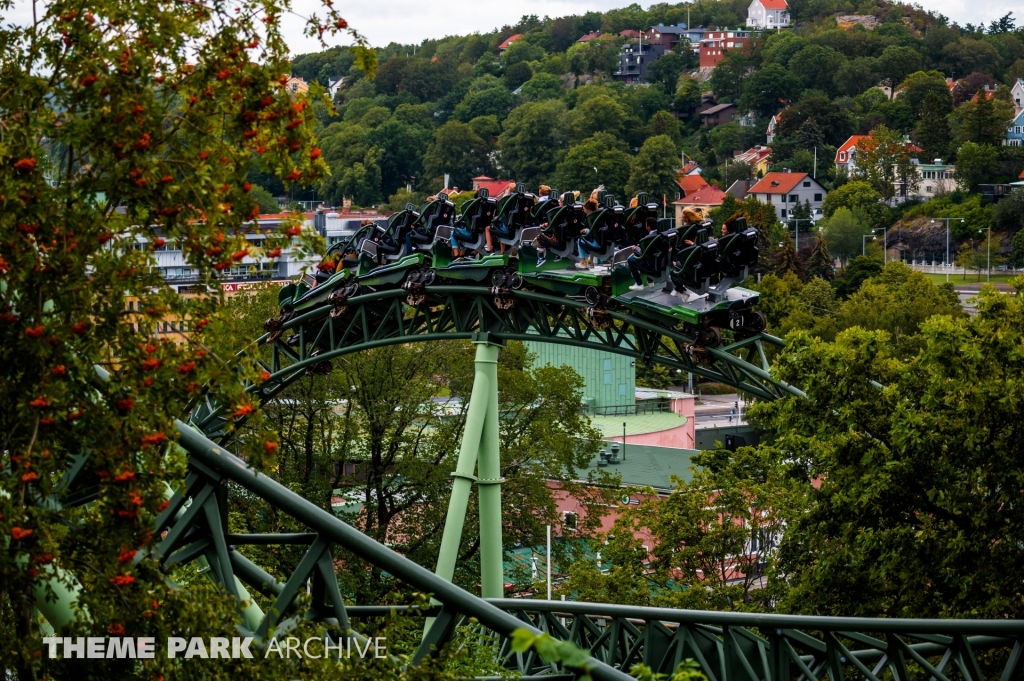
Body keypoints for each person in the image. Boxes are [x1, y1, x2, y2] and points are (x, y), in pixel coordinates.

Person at [627, 217, 664, 291]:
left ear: (649, 227)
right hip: (661, 263)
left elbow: (642, 252)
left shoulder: (648, 239)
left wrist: (635, 248)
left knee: (630, 260)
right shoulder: (661, 235)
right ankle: (650, 281)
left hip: (651, 265)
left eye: (646, 225)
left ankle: (639, 284)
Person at [575, 197, 602, 269]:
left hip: (596, 245)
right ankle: (590, 262)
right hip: (601, 242)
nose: (584, 211)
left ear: (588, 209)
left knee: (580, 240)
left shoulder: (591, 218)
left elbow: (594, 230)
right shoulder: (599, 215)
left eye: (584, 209)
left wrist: (584, 230)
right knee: (590, 239)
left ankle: (583, 262)